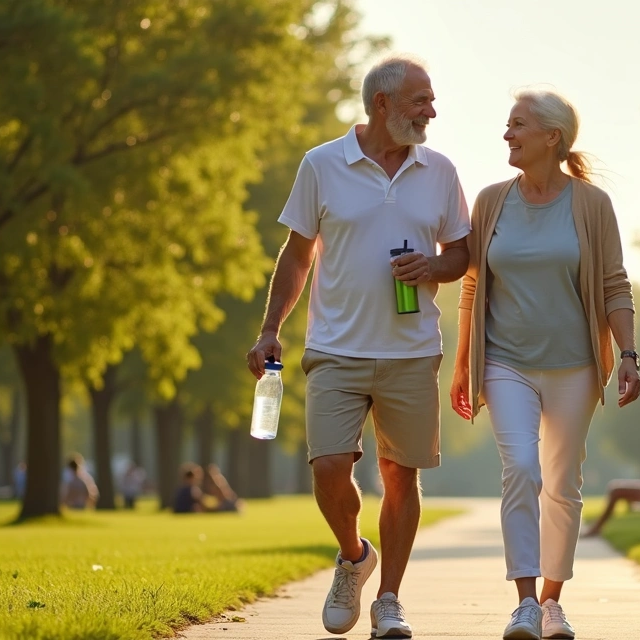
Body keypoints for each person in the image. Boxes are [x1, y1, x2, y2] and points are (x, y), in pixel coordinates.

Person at [245, 53, 470, 638]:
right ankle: (353, 557)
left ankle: (389, 600)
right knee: (327, 468)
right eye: (420, 100)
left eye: (431, 99)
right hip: (335, 348)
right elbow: (297, 255)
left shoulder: (440, 171)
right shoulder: (321, 164)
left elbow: (462, 255)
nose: (431, 110)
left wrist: (434, 267)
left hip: (412, 351)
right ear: (382, 104)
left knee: (402, 476)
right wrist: (270, 330)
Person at [450, 88, 640, 640]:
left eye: (517, 125)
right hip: (505, 362)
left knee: (562, 482)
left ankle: (555, 602)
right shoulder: (490, 202)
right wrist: (463, 363)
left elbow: (614, 285)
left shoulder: (591, 204)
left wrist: (627, 355)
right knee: (522, 469)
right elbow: (471, 288)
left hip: (575, 366)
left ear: (551, 137)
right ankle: (526, 603)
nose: (506, 134)